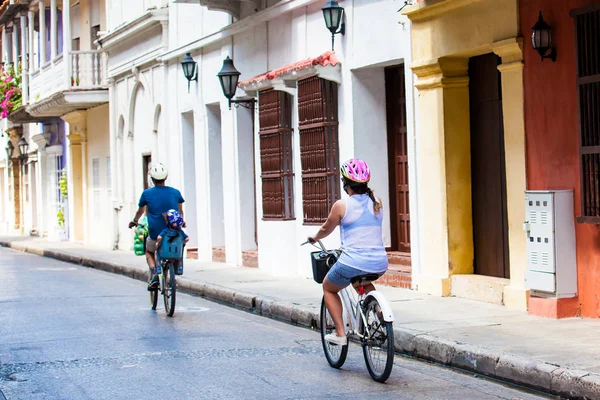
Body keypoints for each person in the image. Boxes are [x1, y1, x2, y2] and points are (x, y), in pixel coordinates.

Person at [307, 158, 388, 346]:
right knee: (364, 284)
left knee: (328, 287)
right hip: (379, 262)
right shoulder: (377, 201)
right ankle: (384, 320)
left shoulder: (342, 205)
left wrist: (316, 237)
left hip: (353, 261)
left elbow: (327, 228)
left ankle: (340, 333)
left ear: (345, 183)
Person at [128, 163, 186, 290]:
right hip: (173, 233)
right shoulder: (175, 193)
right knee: (178, 244)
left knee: (149, 251)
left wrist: (134, 221)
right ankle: (175, 266)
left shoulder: (147, 194)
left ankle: (154, 273)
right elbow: (180, 212)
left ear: (152, 179)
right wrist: (182, 221)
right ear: (165, 178)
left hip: (155, 233)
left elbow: (140, 211)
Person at [156, 209, 189, 275]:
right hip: (176, 254)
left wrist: (157, 243)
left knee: (157, 251)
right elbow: (187, 238)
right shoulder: (180, 232)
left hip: (165, 253)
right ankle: (179, 268)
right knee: (180, 254)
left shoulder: (165, 231)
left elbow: (159, 237)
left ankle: (158, 266)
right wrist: (183, 243)